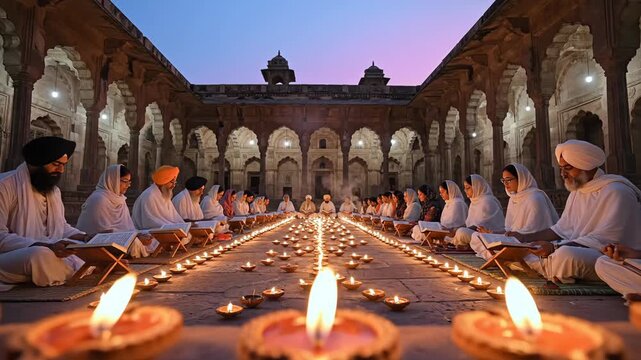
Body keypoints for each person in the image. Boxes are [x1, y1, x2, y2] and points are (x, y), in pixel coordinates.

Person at [510, 140, 641, 284]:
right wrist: (524, 238)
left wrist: (554, 247)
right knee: (532, 250)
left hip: (604, 256)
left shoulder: (617, 192)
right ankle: (537, 264)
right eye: (561, 169)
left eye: (568, 168)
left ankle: (535, 266)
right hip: (575, 247)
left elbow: (605, 242)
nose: (563, 174)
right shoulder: (577, 192)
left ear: (585, 165)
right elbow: (560, 230)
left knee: (567, 255)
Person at [0, 137, 90, 288]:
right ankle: (80, 270)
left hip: (49, 249)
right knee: (39, 255)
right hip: (13, 255)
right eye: (56, 164)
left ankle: (65, 270)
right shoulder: (5, 185)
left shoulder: (53, 191)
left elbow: (62, 226)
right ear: (37, 162)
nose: (61, 170)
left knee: (81, 247)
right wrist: (47, 246)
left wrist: (86, 237)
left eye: (63, 165)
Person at [469, 164, 558, 260]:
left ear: (520, 178)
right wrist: (491, 233)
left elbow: (534, 233)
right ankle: (503, 257)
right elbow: (509, 230)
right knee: (476, 236)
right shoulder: (513, 198)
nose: (506, 184)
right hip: (512, 241)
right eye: (504, 180)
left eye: (509, 180)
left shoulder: (535, 198)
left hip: (528, 244)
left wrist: (516, 237)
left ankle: (502, 257)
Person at [76, 164, 156, 258]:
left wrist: (138, 235)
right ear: (113, 180)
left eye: (129, 182)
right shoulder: (98, 199)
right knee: (134, 243)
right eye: (125, 181)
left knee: (151, 235)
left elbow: (128, 227)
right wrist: (135, 237)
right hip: (98, 242)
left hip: (122, 237)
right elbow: (104, 232)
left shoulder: (120, 199)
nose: (128, 185)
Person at [447, 175, 504, 247]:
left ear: (477, 187)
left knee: (461, 232)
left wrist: (460, 229)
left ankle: (455, 242)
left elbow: (481, 227)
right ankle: (458, 242)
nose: (465, 190)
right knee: (459, 232)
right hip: (475, 234)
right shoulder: (474, 201)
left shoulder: (487, 201)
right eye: (465, 188)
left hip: (490, 236)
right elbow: (470, 224)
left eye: (468, 188)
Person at [132, 165, 184, 230]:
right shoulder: (150, 196)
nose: (174, 185)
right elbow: (151, 223)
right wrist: (174, 227)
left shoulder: (164, 195)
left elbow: (174, 217)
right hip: (148, 233)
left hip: (165, 230)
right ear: (164, 180)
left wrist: (183, 225)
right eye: (172, 182)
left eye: (175, 182)